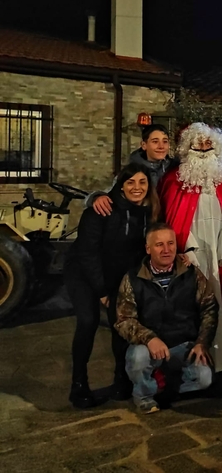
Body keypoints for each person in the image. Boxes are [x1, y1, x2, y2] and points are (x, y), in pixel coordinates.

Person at [64, 163, 160, 408]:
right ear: (121, 185)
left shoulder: (149, 212)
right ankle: (79, 384)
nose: (137, 188)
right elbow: (88, 254)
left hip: (118, 275)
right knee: (88, 321)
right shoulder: (102, 210)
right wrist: (102, 292)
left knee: (121, 324)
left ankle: (121, 379)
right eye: (130, 182)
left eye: (142, 182)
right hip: (84, 273)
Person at [159, 122, 222, 371]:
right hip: (192, 254)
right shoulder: (174, 180)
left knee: (219, 303)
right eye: (199, 143)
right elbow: (173, 217)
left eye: (208, 143)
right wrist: (188, 249)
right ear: (188, 146)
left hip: (219, 252)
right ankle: (192, 367)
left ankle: (219, 363)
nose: (204, 148)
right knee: (192, 306)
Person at [114, 224, 218, 414]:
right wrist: (149, 338)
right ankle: (144, 395)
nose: (166, 250)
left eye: (171, 243)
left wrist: (202, 342)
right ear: (148, 249)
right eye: (159, 245)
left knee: (204, 378)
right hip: (148, 348)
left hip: (182, 344)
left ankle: (162, 386)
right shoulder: (133, 278)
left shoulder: (192, 274)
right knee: (137, 358)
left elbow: (209, 308)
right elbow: (124, 319)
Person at [87, 124, 175, 216]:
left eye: (165, 141)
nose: (161, 146)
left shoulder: (175, 168)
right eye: (155, 141)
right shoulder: (132, 169)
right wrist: (97, 197)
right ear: (144, 145)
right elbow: (113, 191)